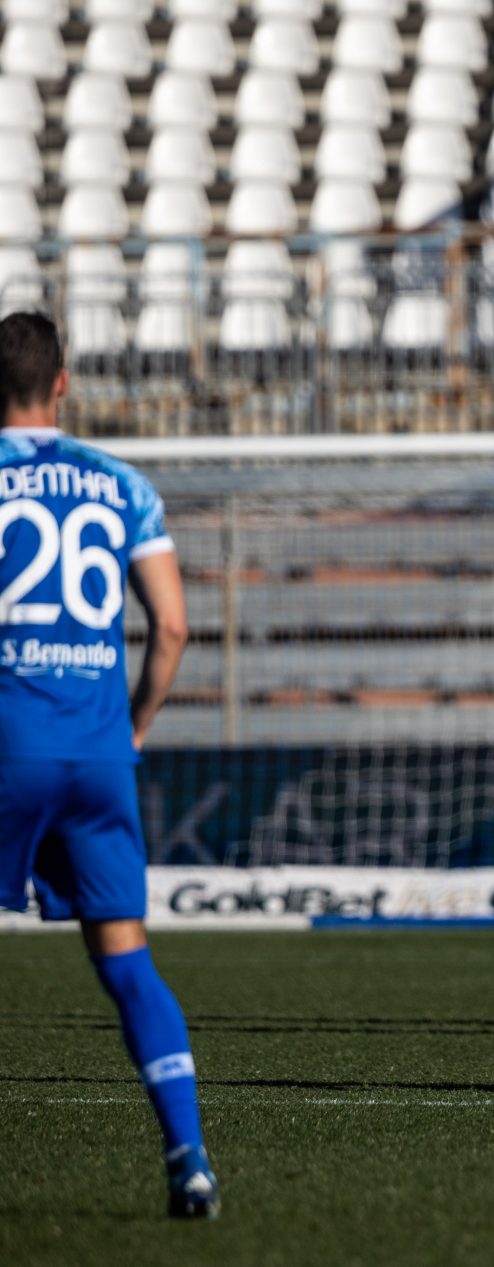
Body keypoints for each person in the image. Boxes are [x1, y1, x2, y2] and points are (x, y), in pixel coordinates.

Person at [0, 312, 218, 1217]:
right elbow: (172, 625)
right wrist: (133, 726)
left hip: (7, 742)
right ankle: (189, 1157)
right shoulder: (121, 482)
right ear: (62, 382)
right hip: (97, 752)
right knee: (127, 959)